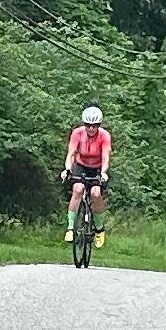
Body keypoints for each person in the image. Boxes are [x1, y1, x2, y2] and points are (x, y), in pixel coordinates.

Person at [60, 105, 111, 248]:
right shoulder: (77, 133)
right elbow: (71, 153)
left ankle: (99, 229)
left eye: (94, 126)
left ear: (99, 125)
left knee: (95, 194)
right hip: (81, 165)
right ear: (84, 124)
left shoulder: (104, 136)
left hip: (97, 168)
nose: (91, 129)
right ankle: (70, 228)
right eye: (88, 125)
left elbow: (105, 157)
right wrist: (67, 169)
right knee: (77, 190)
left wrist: (103, 173)